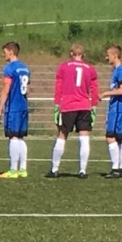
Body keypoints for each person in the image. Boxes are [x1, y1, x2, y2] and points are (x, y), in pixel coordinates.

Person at [47, 43, 99, 179]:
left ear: (71, 53)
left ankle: (54, 169)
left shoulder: (64, 67)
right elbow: (94, 90)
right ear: (83, 54)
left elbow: (59, 88)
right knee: (84, 137)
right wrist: (94, 105)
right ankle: (82, 170)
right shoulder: (90, 69)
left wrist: (57, 104)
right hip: (84, 106)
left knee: (62, 135)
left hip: (68, 105)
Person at [0, 41, 31, 179]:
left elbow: (6, 89)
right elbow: (27, 90)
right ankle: (23, 169)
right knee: (20, 137)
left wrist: (0, 108)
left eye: (4, 52)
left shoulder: (9, 68)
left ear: (11, 52)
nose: (3, 54)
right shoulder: (25, 68)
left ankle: (13, 170)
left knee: (13, 137)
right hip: (23, 106)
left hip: (14, 107)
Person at [100, 44, 122, 179]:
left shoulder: (121, 71)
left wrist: (105, 93)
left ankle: (115, 169)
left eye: (108, 55)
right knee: (120, 138)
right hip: (119, 108)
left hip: (118, 108)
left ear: (115, 55)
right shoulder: (117, 71)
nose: (106, 58)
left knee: (110, 137)